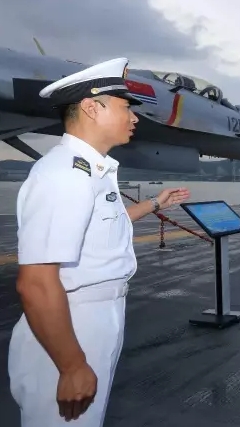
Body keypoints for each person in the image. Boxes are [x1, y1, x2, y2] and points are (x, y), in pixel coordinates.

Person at [8, 58, 190, 426]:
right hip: (70, 322)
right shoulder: (66, 175)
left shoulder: (92, 170)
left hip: (96, 317)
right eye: (126, 108)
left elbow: (104, 224)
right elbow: (36, 283)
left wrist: (155, 204)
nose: (134, 118)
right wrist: (71, 364)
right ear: (93, 107)